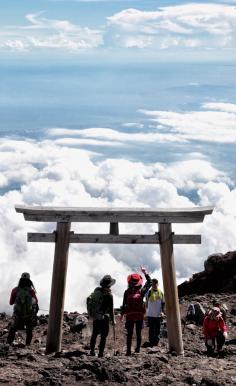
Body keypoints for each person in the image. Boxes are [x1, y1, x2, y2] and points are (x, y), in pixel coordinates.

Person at [120, 267, 151, 356]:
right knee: (138, 333)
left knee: (129, 334)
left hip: (129, 315)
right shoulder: (141, 291)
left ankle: (128, 351)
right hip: (139, 315)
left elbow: (124, 304)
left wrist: (122, 315)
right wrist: (145, 272)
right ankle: (137, 350)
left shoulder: (127, 292)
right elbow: (149, 282)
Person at [87, 274, 116, 358]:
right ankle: (100, 354)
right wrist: (113, 320)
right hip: (105, 318)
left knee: (94, 334)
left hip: (96, 317)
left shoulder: (97, 292)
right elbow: (111, 309)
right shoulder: (109, 295)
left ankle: (92, 351)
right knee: (103, 337)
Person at [7, 272, 39, 346]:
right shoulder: (31, 291)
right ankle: (27, 345)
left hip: (18, 314)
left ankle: (8, 343)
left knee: (13, 328)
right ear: (29, 281)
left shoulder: (15, 290)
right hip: (29, 314)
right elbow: (36, 301)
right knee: (29, 329)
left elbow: (11, 303)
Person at [146, 278, 165, 347]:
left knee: (158, 329)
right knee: (151, 329)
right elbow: (146, 302)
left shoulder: (161, 292)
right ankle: (151, 342)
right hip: (150, 314)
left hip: (158, 315)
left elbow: (163, 303)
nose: (154, 285)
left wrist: (162, 312)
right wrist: (146, 311)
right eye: (153, 284)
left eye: (155, 283)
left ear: (157, 284)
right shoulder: (149, 292)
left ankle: (157, 342)